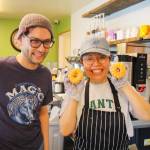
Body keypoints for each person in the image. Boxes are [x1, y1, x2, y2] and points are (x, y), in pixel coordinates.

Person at [59, 37, 150, 150]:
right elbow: (65, 130)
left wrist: (124, 85)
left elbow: (147, 115)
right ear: (82, 62)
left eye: (102, 57)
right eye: (89, 59)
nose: (96, 63)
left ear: (109, 60)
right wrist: (74, 96)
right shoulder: (75, 90)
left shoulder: (122, 87)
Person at [0, 13, 54, 150]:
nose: (42, 49)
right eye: (35, 41)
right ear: (19, 39)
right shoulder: (2, 67)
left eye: (47, 42)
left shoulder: (46, 74)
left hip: (35, 146)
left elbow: (43, 112)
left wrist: (47, 147)